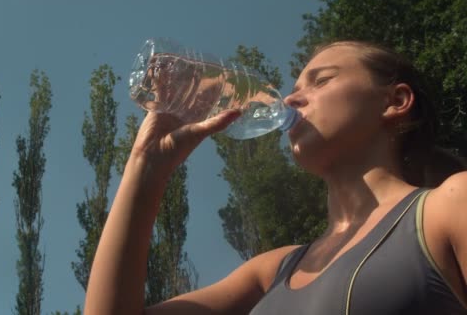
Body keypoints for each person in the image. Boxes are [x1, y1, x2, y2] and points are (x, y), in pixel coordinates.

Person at [84, 41, 467, 314]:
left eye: (321, 80)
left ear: (395, 101)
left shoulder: (448, 206)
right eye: (295, 88)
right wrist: (146, 166)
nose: (290, 100)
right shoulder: (274, 270)